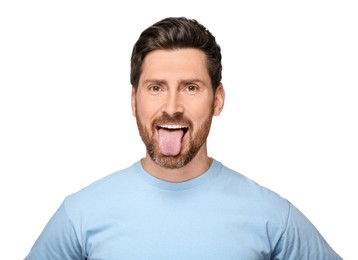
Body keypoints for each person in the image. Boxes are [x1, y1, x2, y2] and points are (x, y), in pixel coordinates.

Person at [25, 17, 342, 260]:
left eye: (191, 87)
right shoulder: (80, 214)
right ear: (134, 101)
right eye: (156, 88)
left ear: (217, 99)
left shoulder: (273, 217)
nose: (172, 107)